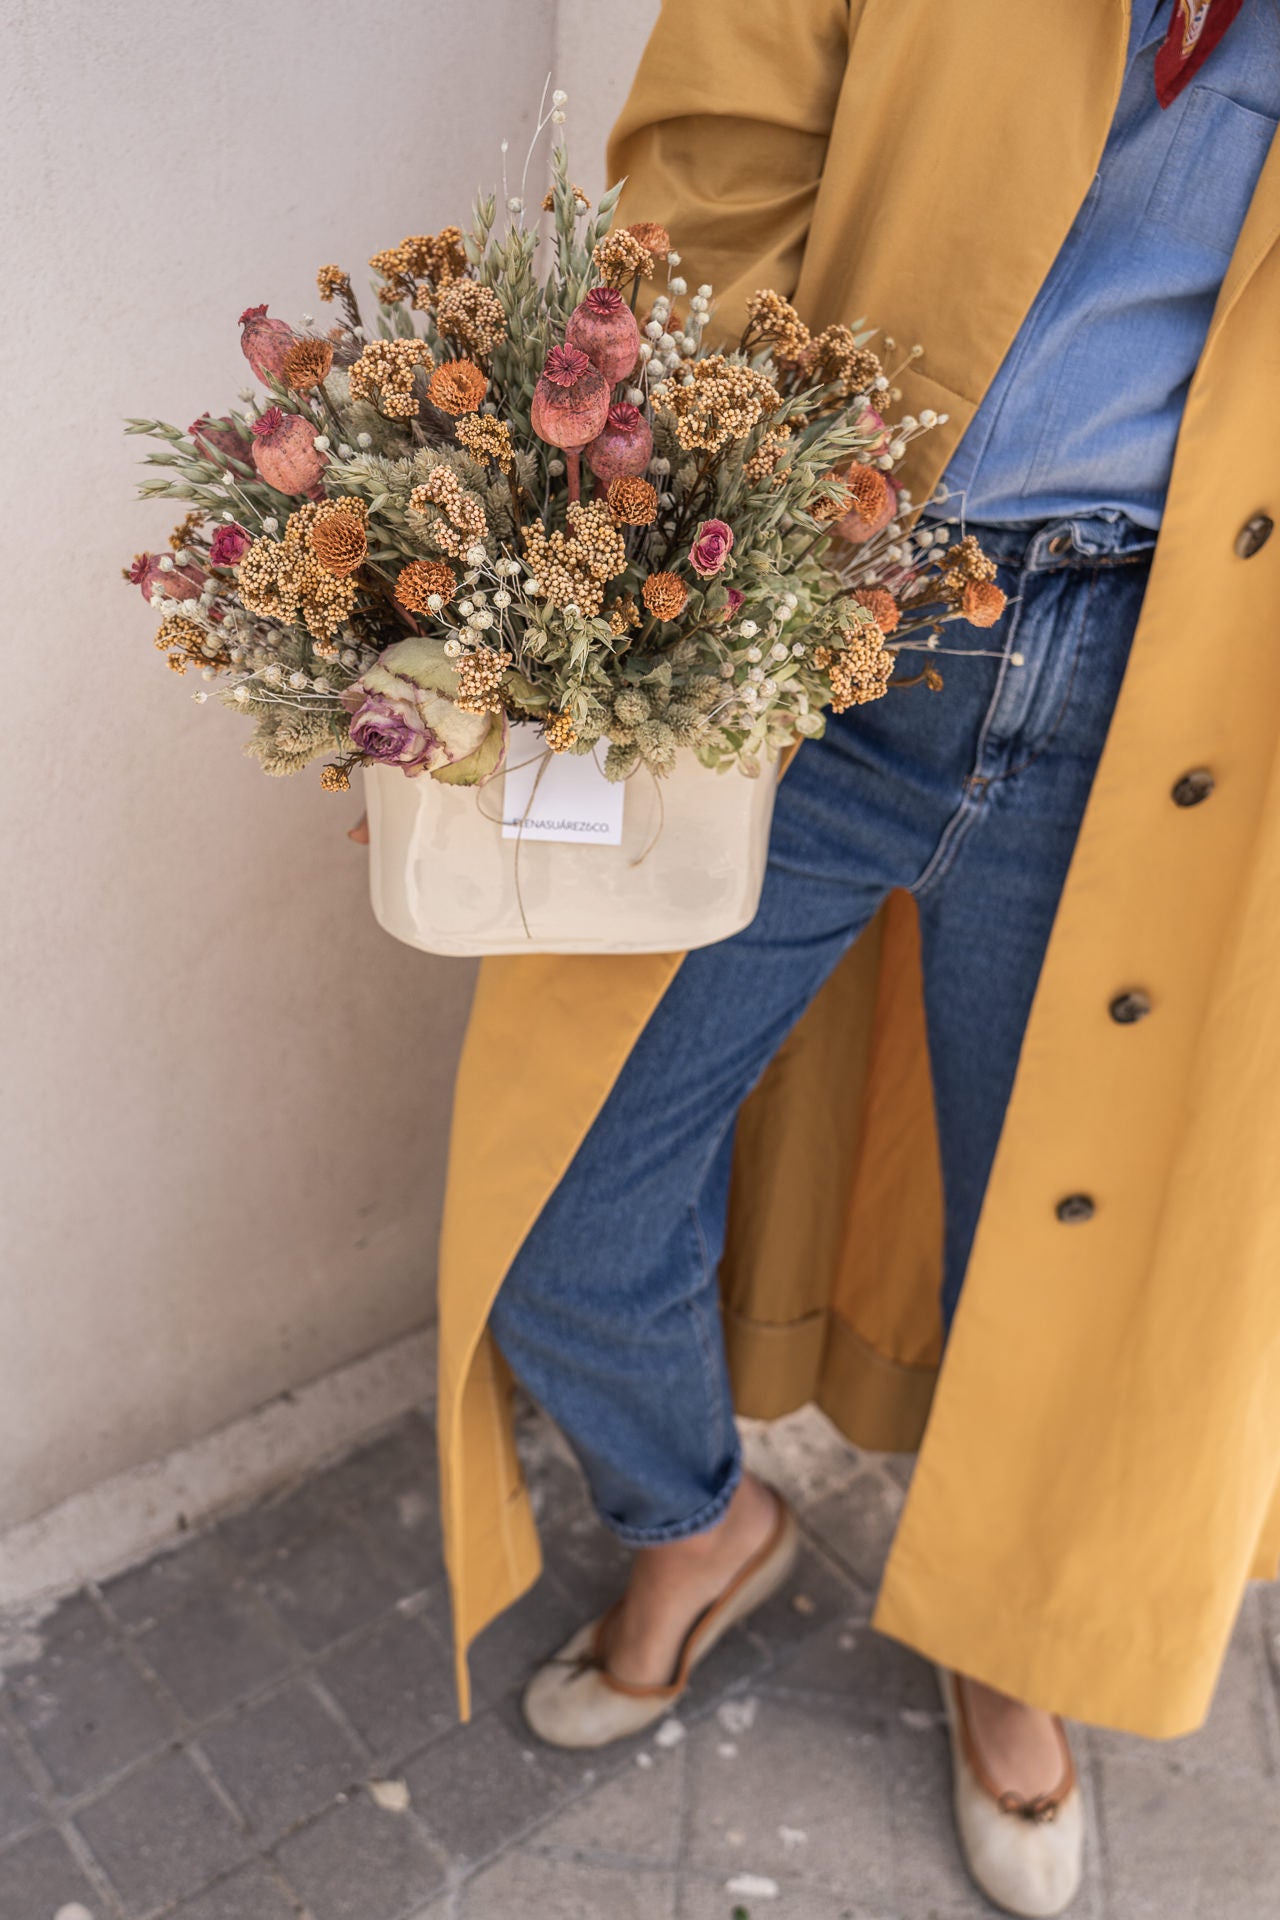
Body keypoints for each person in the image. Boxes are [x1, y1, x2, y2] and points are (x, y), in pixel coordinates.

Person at [365, 5, 1280, 1914]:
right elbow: (713, 169)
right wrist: (697, 533)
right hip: (813, 630)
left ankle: (1007, 1641)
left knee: (1077, 1249)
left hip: (1172, 704)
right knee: (568, 1188)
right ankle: (698, 1522)